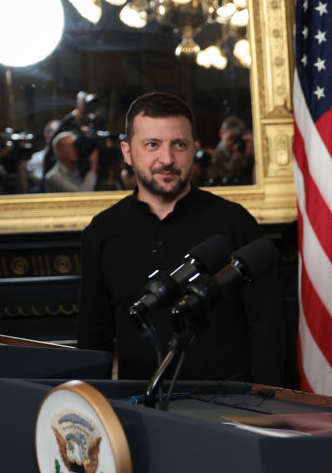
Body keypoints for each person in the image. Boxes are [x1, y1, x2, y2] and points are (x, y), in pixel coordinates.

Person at [77, 92, 284, 384]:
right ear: (127, 152)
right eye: (152, 145)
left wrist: (268, 408)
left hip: (230, 409)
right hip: (137, 408)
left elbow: (267, 327)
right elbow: (94, 334)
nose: (168, 159)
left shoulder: (235, 222)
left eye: (179, 145)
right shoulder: (102, 231)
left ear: (194, 148)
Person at [208, 115, 253, 185]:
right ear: (221, 134)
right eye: (231, 138)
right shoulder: (213, 157)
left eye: (237, 139)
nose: (234, 143)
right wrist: (235, 162)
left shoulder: (241, 152)